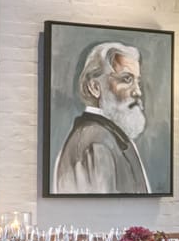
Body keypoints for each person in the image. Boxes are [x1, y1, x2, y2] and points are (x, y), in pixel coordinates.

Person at [53, 41, 153, 194]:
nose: (138, 92)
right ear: (94, 87)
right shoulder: (96, 142)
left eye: (137, 81)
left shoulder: (109, 136)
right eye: (126, 79)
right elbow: (102, 213)